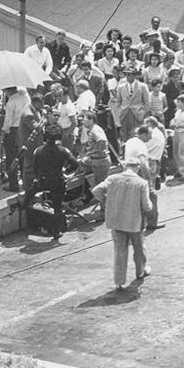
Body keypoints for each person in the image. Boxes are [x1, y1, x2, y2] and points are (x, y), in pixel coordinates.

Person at [92, 157, 153, 291]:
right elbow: (147, 206)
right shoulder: (141, 183)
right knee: (139, 248)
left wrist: (106, 201)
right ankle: (140, 271)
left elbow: (96, 190)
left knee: (120, 250)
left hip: (116, 220)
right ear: (137, 167)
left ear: (126, 166)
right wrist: (151, 205)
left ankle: (119, 281)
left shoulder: (112, 178)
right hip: (134, 222)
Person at [32, 125, 80, 240]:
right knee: (57, 207)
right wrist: (66, 171)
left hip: (43, 182)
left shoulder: (38, 151)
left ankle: (46, 226)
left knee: (46, 202)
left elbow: (34, 168)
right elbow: (75, 164)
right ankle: (56, 231)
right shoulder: (63, 151)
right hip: (58, 181)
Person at [1, 86, 32, 190]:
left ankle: (13, 184)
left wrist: (3, 133)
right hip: (24, 129)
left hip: (14, 131)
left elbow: (8, 121)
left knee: (11, 158)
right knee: (23, 156)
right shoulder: (25, 97)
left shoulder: (11, 102)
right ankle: (25, 182)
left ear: (7, 91)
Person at [111, 64, 150, 143]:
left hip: (137, 114)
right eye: (126, 75)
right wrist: (119, 111)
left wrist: (143, 113)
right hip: (125, 114)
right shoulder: (121, 87)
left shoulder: (142, 86)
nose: (128, 77)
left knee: (136, 134)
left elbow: (147, 102)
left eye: (130, 75)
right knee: (124, 135)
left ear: (135, 75)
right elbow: (118, 101)